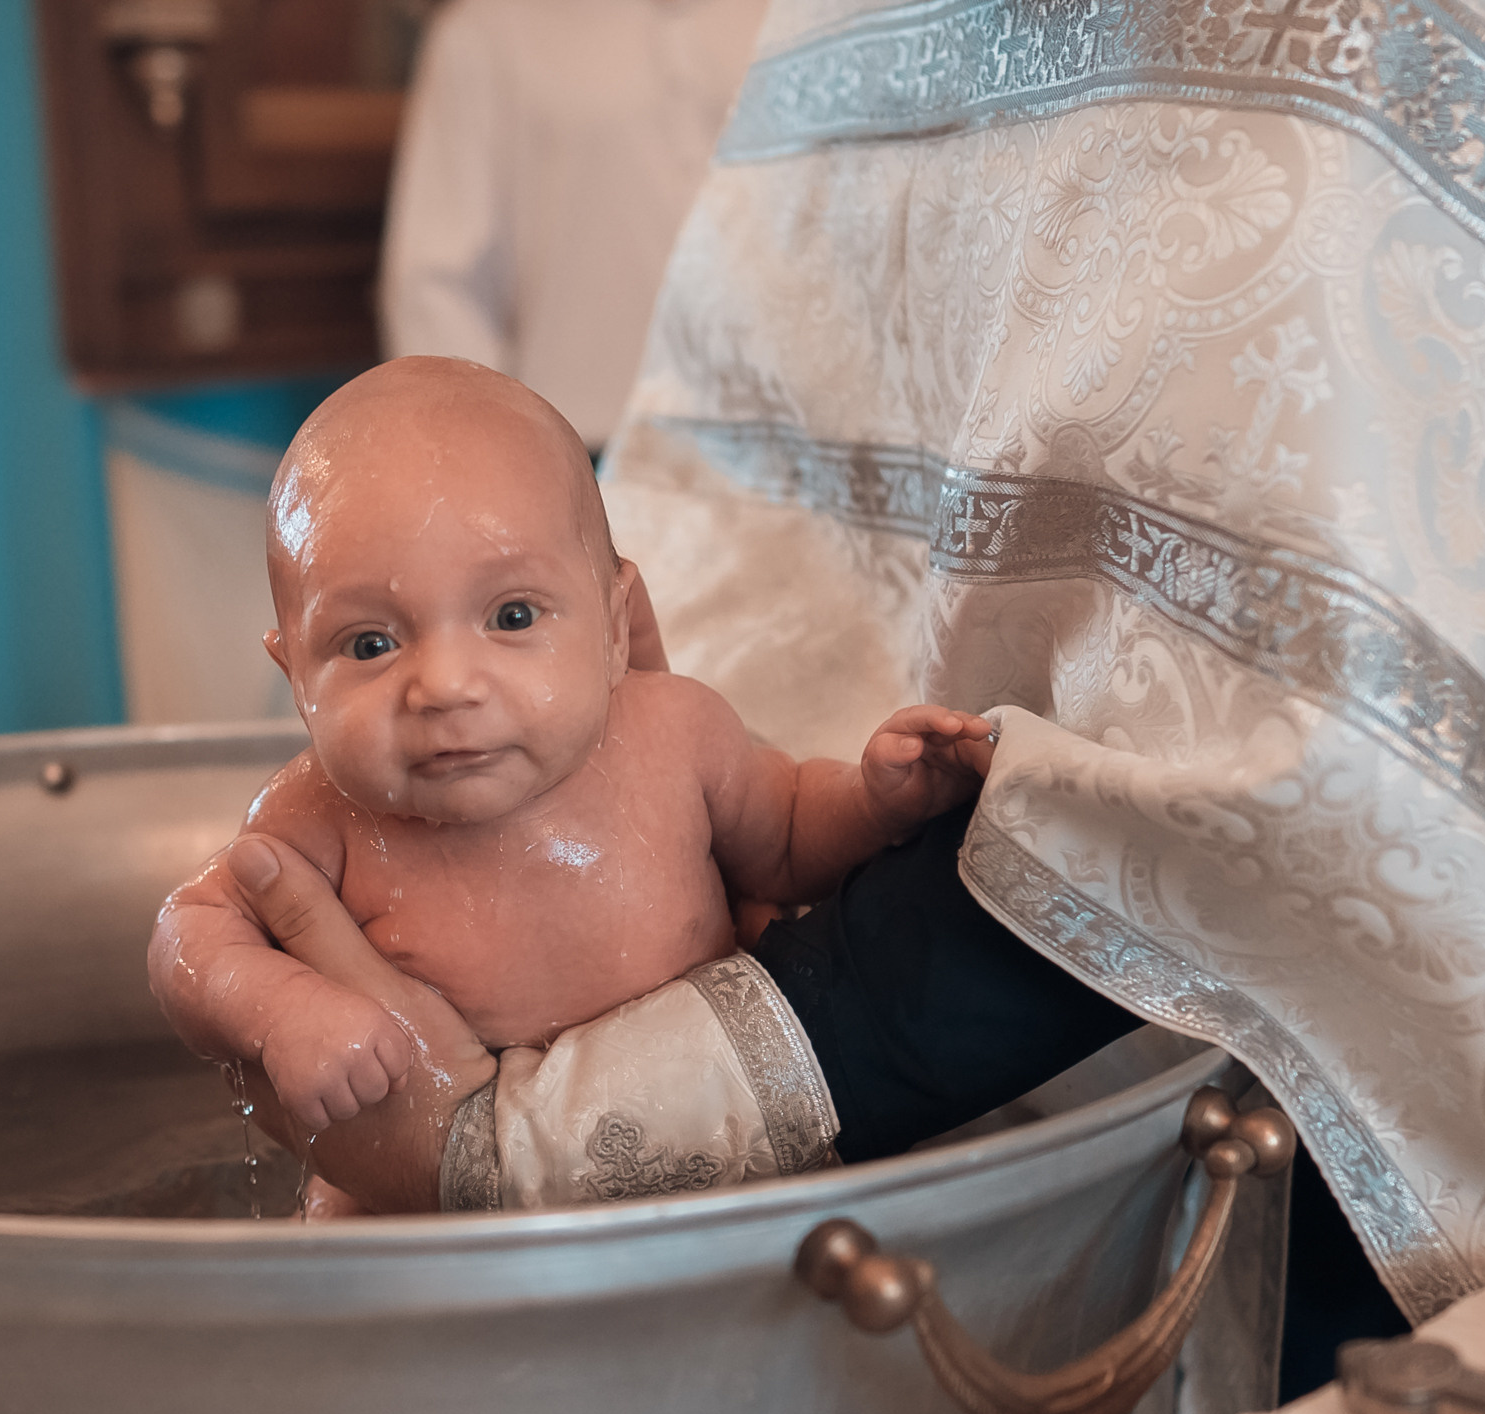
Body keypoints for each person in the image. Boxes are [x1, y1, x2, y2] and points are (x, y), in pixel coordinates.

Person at [149, 357, 1139, 1212]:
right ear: (295, 676)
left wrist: (878, 803)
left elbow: (787, 836)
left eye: (512, 616)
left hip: (710, 1164)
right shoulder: (316, 817)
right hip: (398, 1205)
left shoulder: (675, 735)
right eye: (369, 642)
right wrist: (281, 1010)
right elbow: (189, 936)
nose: (444, 685)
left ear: (618, 622)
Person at [379, 0, 769, 453]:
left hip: (786, 452)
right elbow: (435, 286)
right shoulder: (487, 30)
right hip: (581, 448)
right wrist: (486, 455)